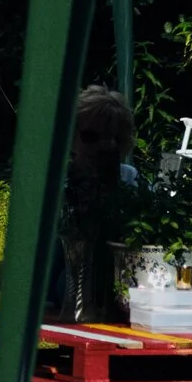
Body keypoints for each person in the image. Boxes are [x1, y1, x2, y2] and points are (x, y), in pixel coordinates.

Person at [57, 86, 141, 319]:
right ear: (71, 137)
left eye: (114, 138)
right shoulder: (57, 182)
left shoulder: (129, 179)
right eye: (91, 137)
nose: (106, 146)